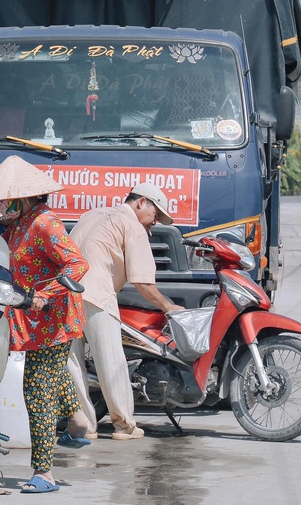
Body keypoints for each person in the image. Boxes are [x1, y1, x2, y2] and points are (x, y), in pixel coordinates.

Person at [0, 155, 91, 494]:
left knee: (36, 390)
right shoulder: (21, 224)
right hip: (35, 322)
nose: (1, 206)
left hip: (53, 319)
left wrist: (47, 293)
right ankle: (78, 423)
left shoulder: (44, 222)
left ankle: (44, 472)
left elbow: (78, 264)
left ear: (21, 198)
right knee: (52, 375)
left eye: (6, 199)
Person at [68, 182, 185, 441]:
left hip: (66, 294)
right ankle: (125, 426)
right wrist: (169, 306)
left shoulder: (92, 214)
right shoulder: (132, 225)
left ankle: (86, 425)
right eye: (155, 216)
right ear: (141, 202)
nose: (154, 223)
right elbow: (143, 283)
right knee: (111, 362)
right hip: (96, 294)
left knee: (73, 363)